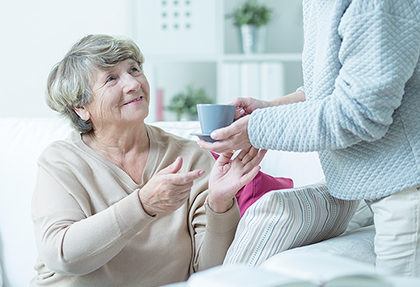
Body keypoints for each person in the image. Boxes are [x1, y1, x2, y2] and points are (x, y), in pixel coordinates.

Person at [198, 0, 420, 277]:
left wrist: (254, 129)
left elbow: (360, 113)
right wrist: (270, 107)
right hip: (374, 188)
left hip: (405, 188)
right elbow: (334, 86)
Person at [31, 34, 266, 287]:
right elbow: (62, 256)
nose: (133, 83)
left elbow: (208, 272)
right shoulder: (61, 162)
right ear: (81, 107)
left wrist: (220, 204)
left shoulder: (189, 157)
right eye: (112, 78)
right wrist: (144, 204)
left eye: (134, 69)